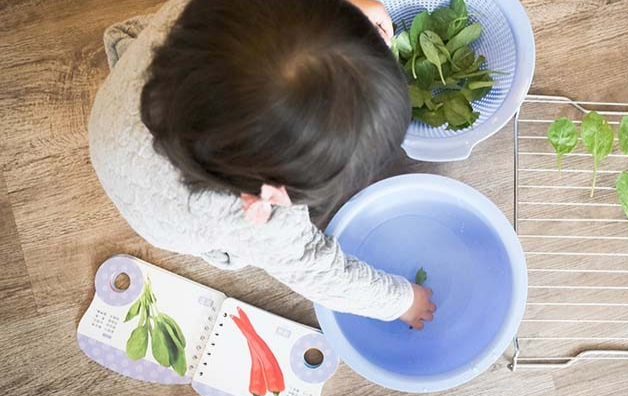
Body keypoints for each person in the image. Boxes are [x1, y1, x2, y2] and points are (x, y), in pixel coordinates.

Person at [88, 0, 436, 329]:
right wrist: (402, 302)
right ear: (279, 188)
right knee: (241, 251)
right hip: (160, 212)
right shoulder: (263, 221)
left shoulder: (213, 19)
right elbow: (324, 275)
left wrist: (350, 16)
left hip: (117, 117)